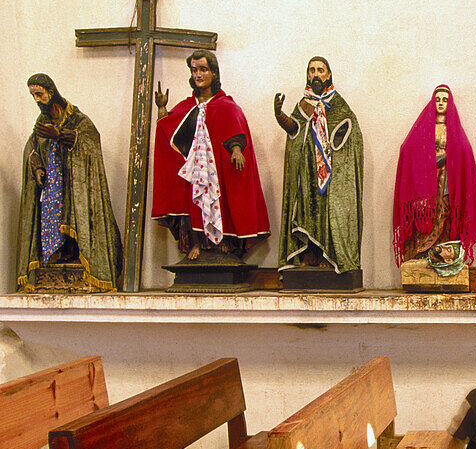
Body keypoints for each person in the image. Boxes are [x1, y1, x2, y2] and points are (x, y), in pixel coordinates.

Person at [152, 50, 269, 260]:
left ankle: (222, 240)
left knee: (218, 199)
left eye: (203, 69)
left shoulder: (226, 105)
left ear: (214, 73)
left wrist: (236, 150)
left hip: (216, 168)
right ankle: (196, 243)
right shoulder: (187, 106)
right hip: (195, 168)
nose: (198, 74)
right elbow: (168, 129)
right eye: (194, 70)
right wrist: (162, 109)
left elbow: (235, 130)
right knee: (193, 200)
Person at [17, 74, 123, 292]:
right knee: (52, 219)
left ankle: (79, 259)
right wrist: (37, 168)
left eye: (40, 94)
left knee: (76, 218)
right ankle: (57, 257)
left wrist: (61, 135)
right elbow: (33, 149)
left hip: (76, 187)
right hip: (52, 187)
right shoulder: (41, 123)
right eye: (33, 96)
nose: (37, 100)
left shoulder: (78, 120)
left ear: (51, 92)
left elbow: (90, 141)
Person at [274, 56, 363, 274]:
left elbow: (349, 132)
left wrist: (335, 145)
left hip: (330, 174)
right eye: (312, 70)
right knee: (305, 211)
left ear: (329, 74)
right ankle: (308, 254)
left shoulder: (339, 104)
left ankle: (329, 256)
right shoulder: (303, 104)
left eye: (320, 70)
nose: (315, 74)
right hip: (306, 173)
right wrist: (280, 115)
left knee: (327, 213)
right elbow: (295, 130)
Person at [393, 85, 476, 266]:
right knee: (426, 212)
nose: (441, 103)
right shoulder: (424, 128)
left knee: (444, 211)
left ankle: (443, 253)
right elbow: (407, 148)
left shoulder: (454, 130)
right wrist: (428, 162)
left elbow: (464, 151)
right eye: (438, 99)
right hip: (426, 181)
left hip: (447, 181)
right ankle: (422, 251)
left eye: (445, 100)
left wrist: (450, 159)